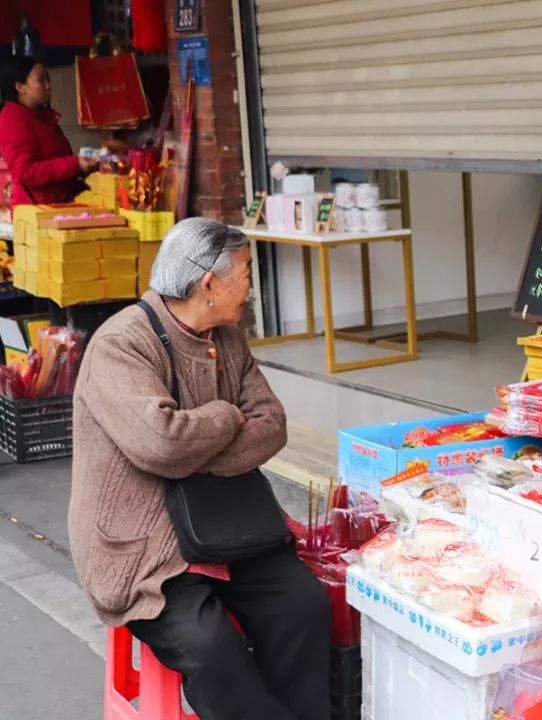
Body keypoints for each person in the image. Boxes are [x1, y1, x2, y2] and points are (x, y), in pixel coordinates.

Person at [69, 218, 330, 720]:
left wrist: (193, 450)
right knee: (209, 645)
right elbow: (161, 445)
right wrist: (226, 417)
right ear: (209, 283)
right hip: (145, 549)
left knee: (303, 606)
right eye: (247, 273)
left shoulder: (226, 338)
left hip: (230, 528)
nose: (251, 287)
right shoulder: (121, 345)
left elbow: (272, 426)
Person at [0, 56, 98, 206]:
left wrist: (86, 162)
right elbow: (25, 172)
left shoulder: (42, 115)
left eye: (48, 79)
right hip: (38, 211)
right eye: (41, 80)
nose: (48, 85)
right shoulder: (13, 119)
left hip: (57, 203)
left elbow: (56, 159)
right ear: (20, 87)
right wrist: (75, 164)